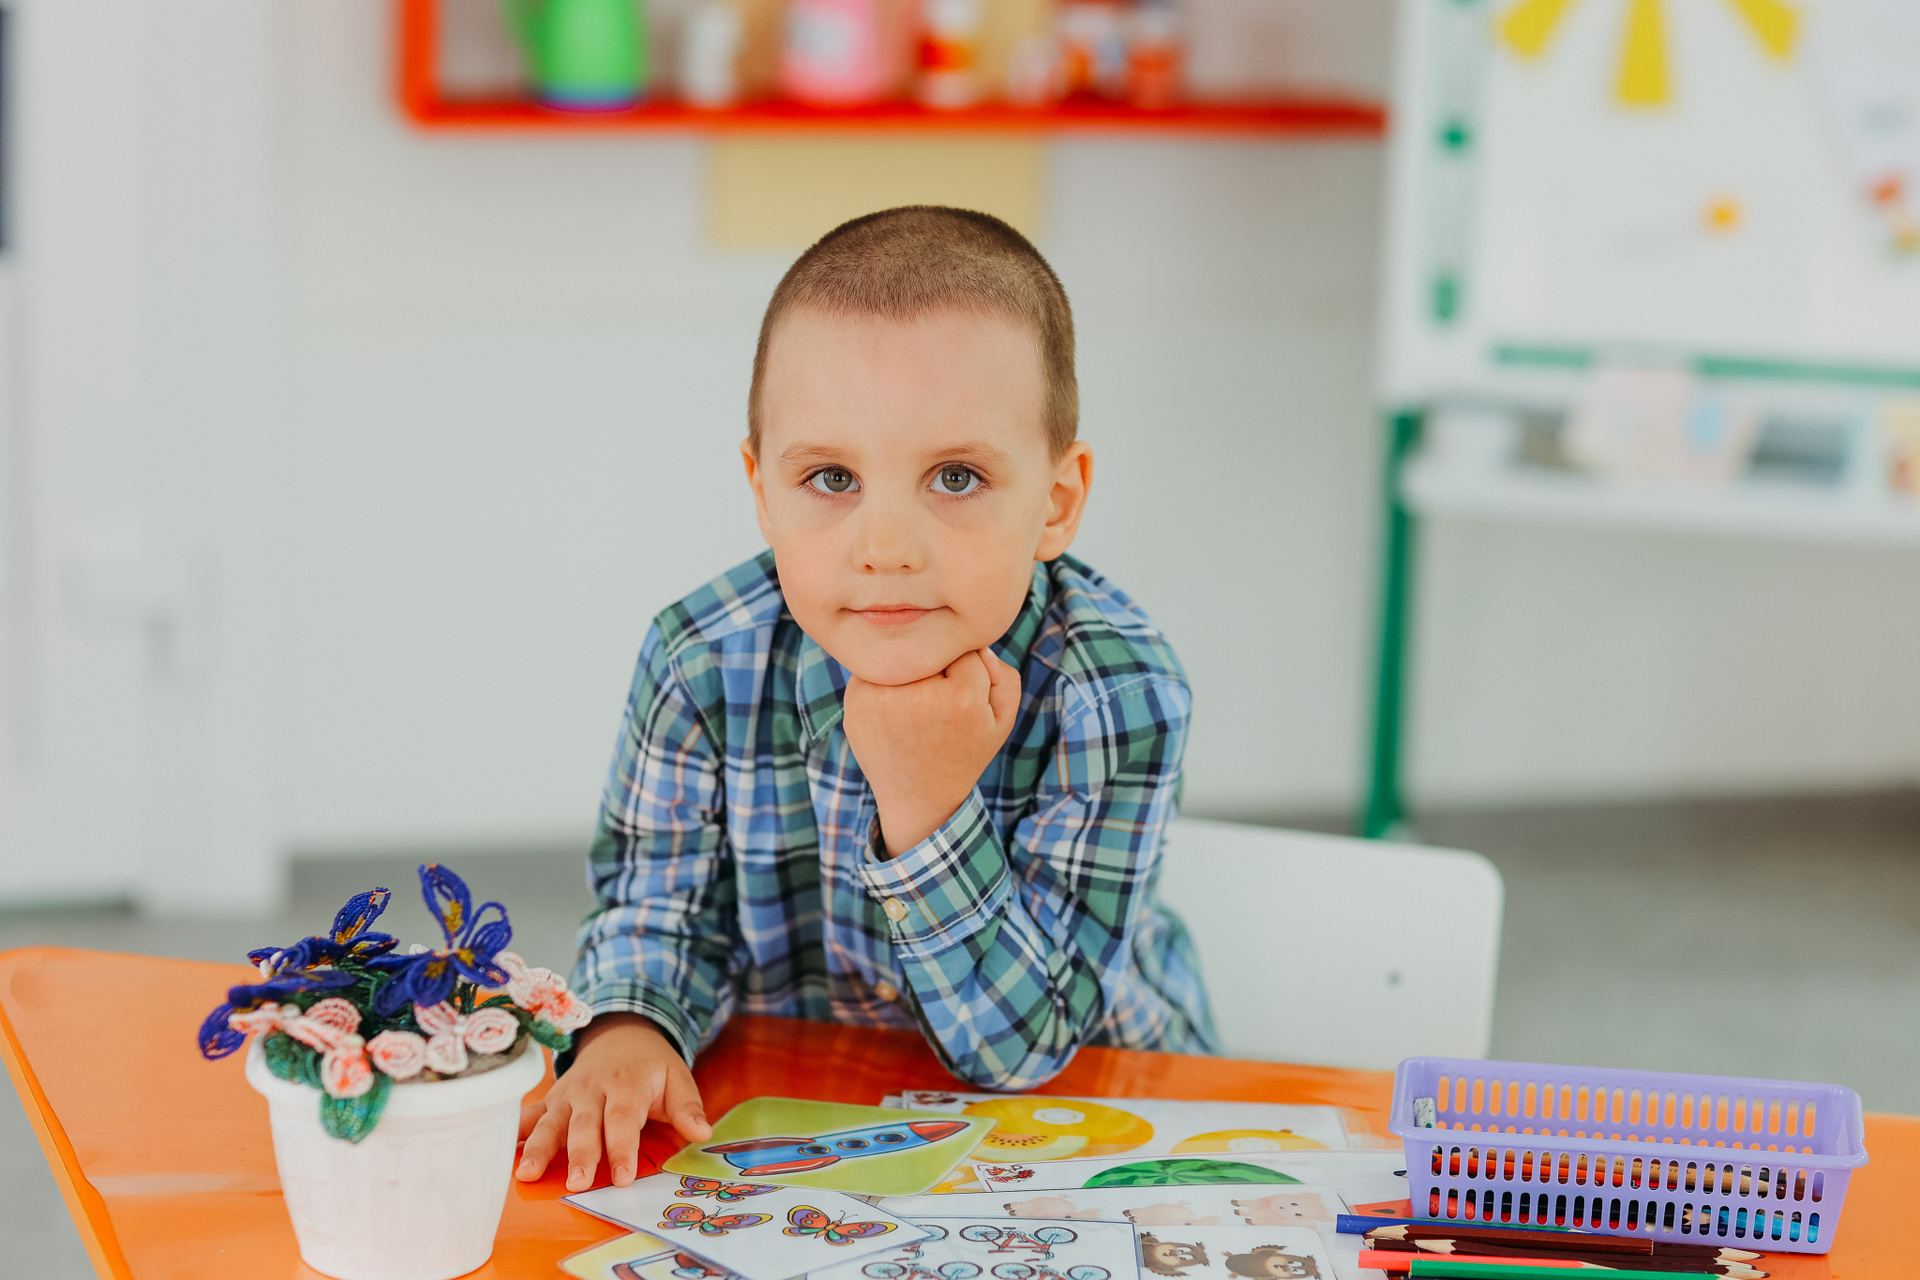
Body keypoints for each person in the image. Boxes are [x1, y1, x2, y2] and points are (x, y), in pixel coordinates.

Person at [515, 206, 1217, 1193]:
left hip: (1094, 1122)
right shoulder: (699, 658)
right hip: (811, 1114)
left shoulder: (1118, 692)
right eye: (832, 477)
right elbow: (658, 906)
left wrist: (926, 804)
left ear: (1057, 503)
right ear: (763, 491)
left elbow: (1028, 1048)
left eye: (956, 477)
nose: (886, 547)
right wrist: (630, 1023)